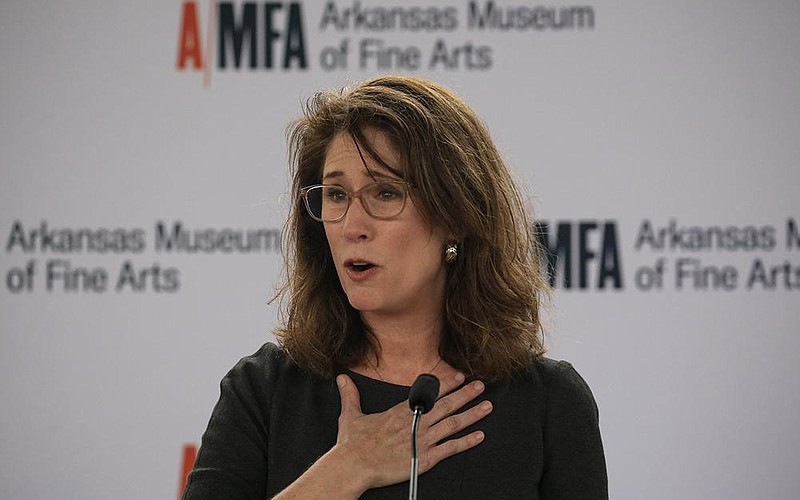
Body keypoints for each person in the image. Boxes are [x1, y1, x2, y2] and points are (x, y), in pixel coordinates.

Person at [182, 75, 607, 499]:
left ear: (456, 214)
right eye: (335, 194)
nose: (351, 226)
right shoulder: (265, 389)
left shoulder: (548, 403)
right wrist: (349, 467)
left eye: (385, 193)